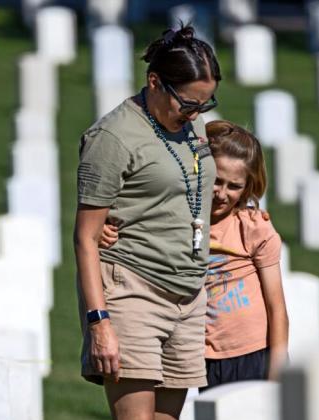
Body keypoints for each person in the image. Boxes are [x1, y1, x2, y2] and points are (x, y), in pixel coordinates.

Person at [73, 25, 221, 420]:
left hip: (187, 294)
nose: (197, 113)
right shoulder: (114, 137)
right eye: (189, 102)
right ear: (154, 82)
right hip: (131, 290)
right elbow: (86, 236)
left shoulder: (193, 131)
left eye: (206, 103)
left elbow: (194, 193)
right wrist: (99, 322)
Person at [101, 121, 290, 386]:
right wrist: (105, 232)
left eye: (234, 186)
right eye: (216, 181)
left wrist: (278, 370)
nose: (222, 194)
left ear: (247, 187)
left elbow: (277, 306)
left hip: (252, 353)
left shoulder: (253, 227)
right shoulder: (175, 217)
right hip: (197, 351)